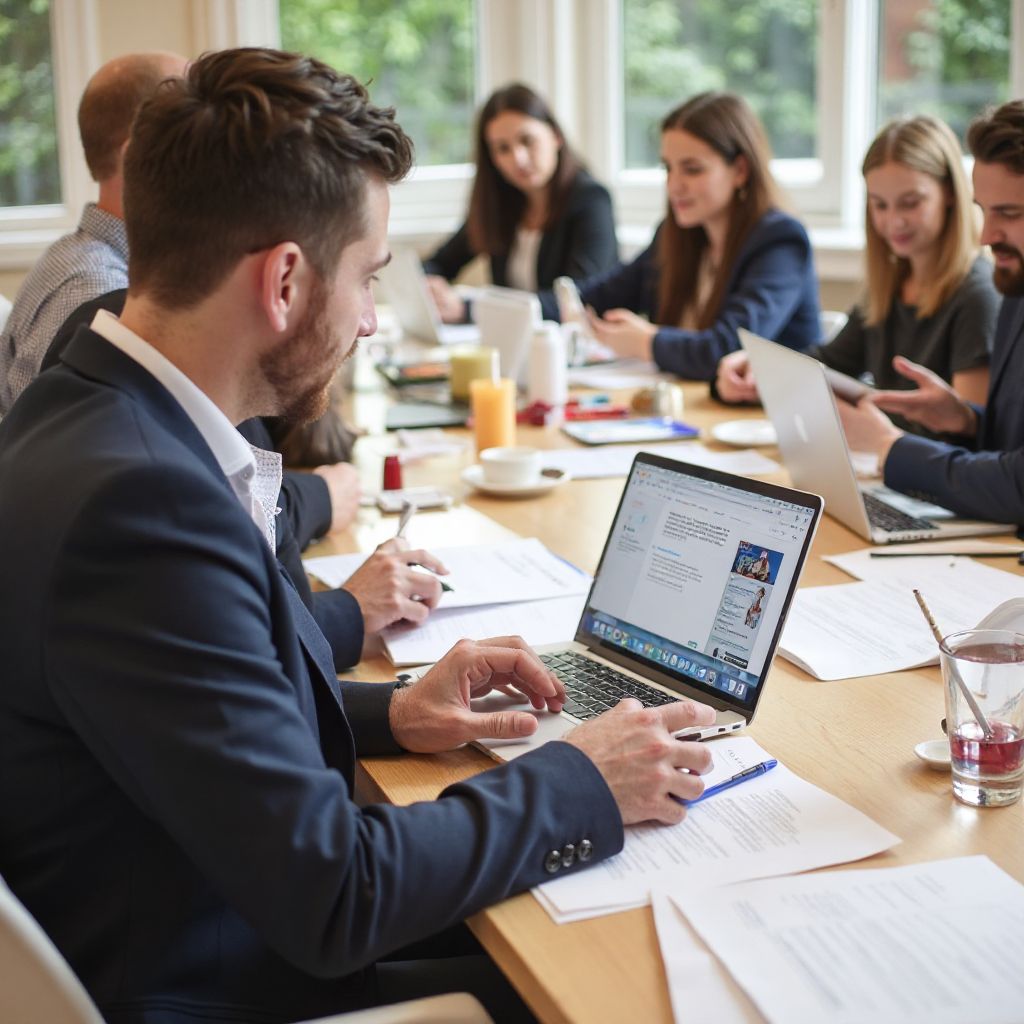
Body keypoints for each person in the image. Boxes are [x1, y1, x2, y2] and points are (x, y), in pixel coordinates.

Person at [0, 48, 715, 1023]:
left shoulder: (84, 406)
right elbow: (336, 894)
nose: (374, 321)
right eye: (369, 278)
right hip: (221, 976)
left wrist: (394, 713)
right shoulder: (142, 509)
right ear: (285, 281)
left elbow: (189, 714)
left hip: (198, 907)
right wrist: (581, 776)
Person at [1, 52, 365, 550]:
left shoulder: (92, 265)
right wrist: (321, 496)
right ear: (141, 156)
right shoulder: (98, 297)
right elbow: (187, 490)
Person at [715, 115, 1000, 421]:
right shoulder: (890, 286)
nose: (894, 221)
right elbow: (825, 364)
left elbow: (971, 434)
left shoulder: (978, 296)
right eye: (880, 205)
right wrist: (756, 367)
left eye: (910, 202)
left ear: (949, 194)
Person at [837, 100, 1024, 525]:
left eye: (1009, 214)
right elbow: (1008, 447)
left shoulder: (984, 291)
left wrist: (889, 446)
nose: (988, 235)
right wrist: (964, 418)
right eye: (985, 210)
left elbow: (1016, 484)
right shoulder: (1016, 288)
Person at [559, 91, 820, 380]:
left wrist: (646, 342)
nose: (674, 186)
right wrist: (533, 307)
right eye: (668, 168)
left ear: (740, 170)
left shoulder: (780, 241)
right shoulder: (676, 235)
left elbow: (727, 349)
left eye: (692, 170)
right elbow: (596, 295)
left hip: (758, 420)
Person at [0, 52, 186, 415]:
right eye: (194, 133)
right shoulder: (98, 295)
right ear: (140, 156)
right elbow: (70, 460)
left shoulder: (76, 256)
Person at [423, 82, 618, 322]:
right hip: (511, 343)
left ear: (555, 136)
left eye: (527, 140)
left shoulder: (591, 201)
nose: (518, 158)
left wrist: (470, 309)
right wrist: (433, 286)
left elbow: (579, 298)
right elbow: (438, 263)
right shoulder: (502, 203)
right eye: (502, 149)